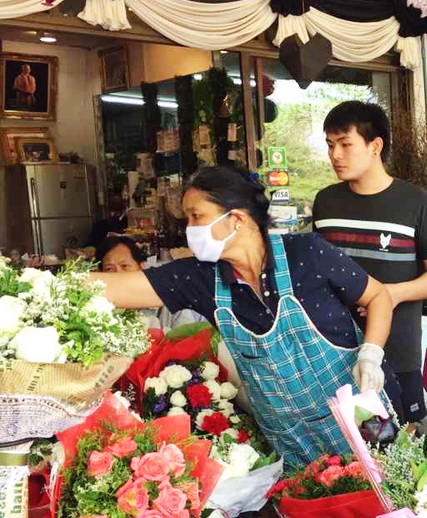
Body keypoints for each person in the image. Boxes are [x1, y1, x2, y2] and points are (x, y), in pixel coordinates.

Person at [92, 165, 395, 469]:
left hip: (362, 417)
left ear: (236, 219)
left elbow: (377, 296)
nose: (189, 228)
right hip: (294, 442)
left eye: (197, 216)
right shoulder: (203, 278)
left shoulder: (307, 254)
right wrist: (47, 285)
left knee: (393, 506)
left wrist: (371, 353)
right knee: (319, 507)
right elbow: (117, 289)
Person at [313, 101, 427, 425]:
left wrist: (390, 294)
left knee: (401, 450)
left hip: (397, 352)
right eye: (331, 145)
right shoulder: (326, 202)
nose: (335, 155)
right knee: (342, 458)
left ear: (375, 146)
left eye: (345, 144)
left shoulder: (415, 201)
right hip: (334, 351)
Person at [96, 236, 204, 331]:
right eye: (109, 269)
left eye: (125, 266)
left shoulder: (171, 302)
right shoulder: (96, 310)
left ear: (141, 267)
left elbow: (188, 343)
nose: (118, 274)